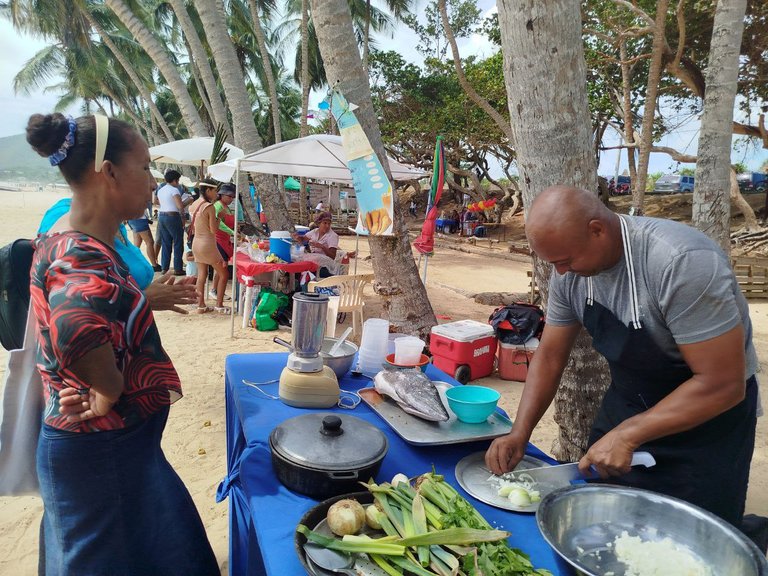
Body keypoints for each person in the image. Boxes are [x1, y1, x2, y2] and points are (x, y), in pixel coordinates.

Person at [486, 185, 759, 532]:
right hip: (630, 400)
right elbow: (551, 356)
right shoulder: (568, 273)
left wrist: (629, 434)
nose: (563, 273)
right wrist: (519, 434)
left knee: (688, 536)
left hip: (707, 421)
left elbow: (723, 384)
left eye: (566, 261)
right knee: (606, 524)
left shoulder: (681, 262)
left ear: (597, 230)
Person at [25, 112, 218, 575]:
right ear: (108, 172)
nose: (152, 182)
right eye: (145, 167)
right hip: (100, 451)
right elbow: (76, 328)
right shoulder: (81, 254)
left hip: (114, 448)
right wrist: (108, 386)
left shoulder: (67, 242)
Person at [189, 183, 230, 314]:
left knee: (202, 274)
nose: (217, 194)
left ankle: (201, 305)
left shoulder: (195, 204)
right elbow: (213, 229)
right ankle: (219, 304)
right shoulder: (209, 207)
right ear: (208, 190)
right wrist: (220, 217)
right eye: (215, 191)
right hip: (208, 244)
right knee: (224, 274)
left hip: (196, 242)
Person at [154, 169, 186, 275]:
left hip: (162, 216)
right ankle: (178, 268)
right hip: (173, 216)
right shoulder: (174, 190)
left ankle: (165, 267)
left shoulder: (161, 190)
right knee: (177, 243)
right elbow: (180, 206)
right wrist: (183, 217)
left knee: (166, 242)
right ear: (175, 180)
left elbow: (156, 201)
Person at [293, 211, 339, 277]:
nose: (327, 226)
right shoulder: (315, 232)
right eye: (325, 223)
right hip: (314, 262)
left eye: (329, 223)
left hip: (326, 267)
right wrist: (297, 237)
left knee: (305, 272)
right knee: (297, 267)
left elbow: (332, 256)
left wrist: (322, 247)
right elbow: (303, 239)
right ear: (319, 223)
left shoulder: (333, 236)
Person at [126, 201, 161, 271]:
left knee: (137, 245)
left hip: (133, 219)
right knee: (149, 242)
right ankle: (154, 265)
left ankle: (131, 263)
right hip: (139, 219)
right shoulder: (138, 193)